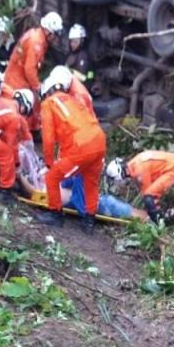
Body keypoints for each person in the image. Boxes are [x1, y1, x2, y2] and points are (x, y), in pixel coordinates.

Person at [37, 75, 106, 233]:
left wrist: (49, 162)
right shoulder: (73, 99)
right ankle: (89, 221)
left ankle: (55, 215)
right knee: (90, 182)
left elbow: (48, 138)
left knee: (52, 177)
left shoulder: (49, 103)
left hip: (81, 146)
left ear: (47, 91)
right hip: (99, 140)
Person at [4, 11, 64, 129]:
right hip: (17, 80)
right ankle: (26, 131)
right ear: (48, 32)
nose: (56, 38)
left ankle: (31, 128)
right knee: (27, 105)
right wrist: (37, 87)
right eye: (55, 35)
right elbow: (29, 69)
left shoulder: (35, 35)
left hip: (16, 75)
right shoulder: (36, 43)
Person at [105, 151, 174, 223]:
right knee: (150, 196)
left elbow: (148, 194)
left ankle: (159, 222)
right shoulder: (134, 165)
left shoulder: (139, 171)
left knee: (149, 196)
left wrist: (151, 211)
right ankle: (164, 213)